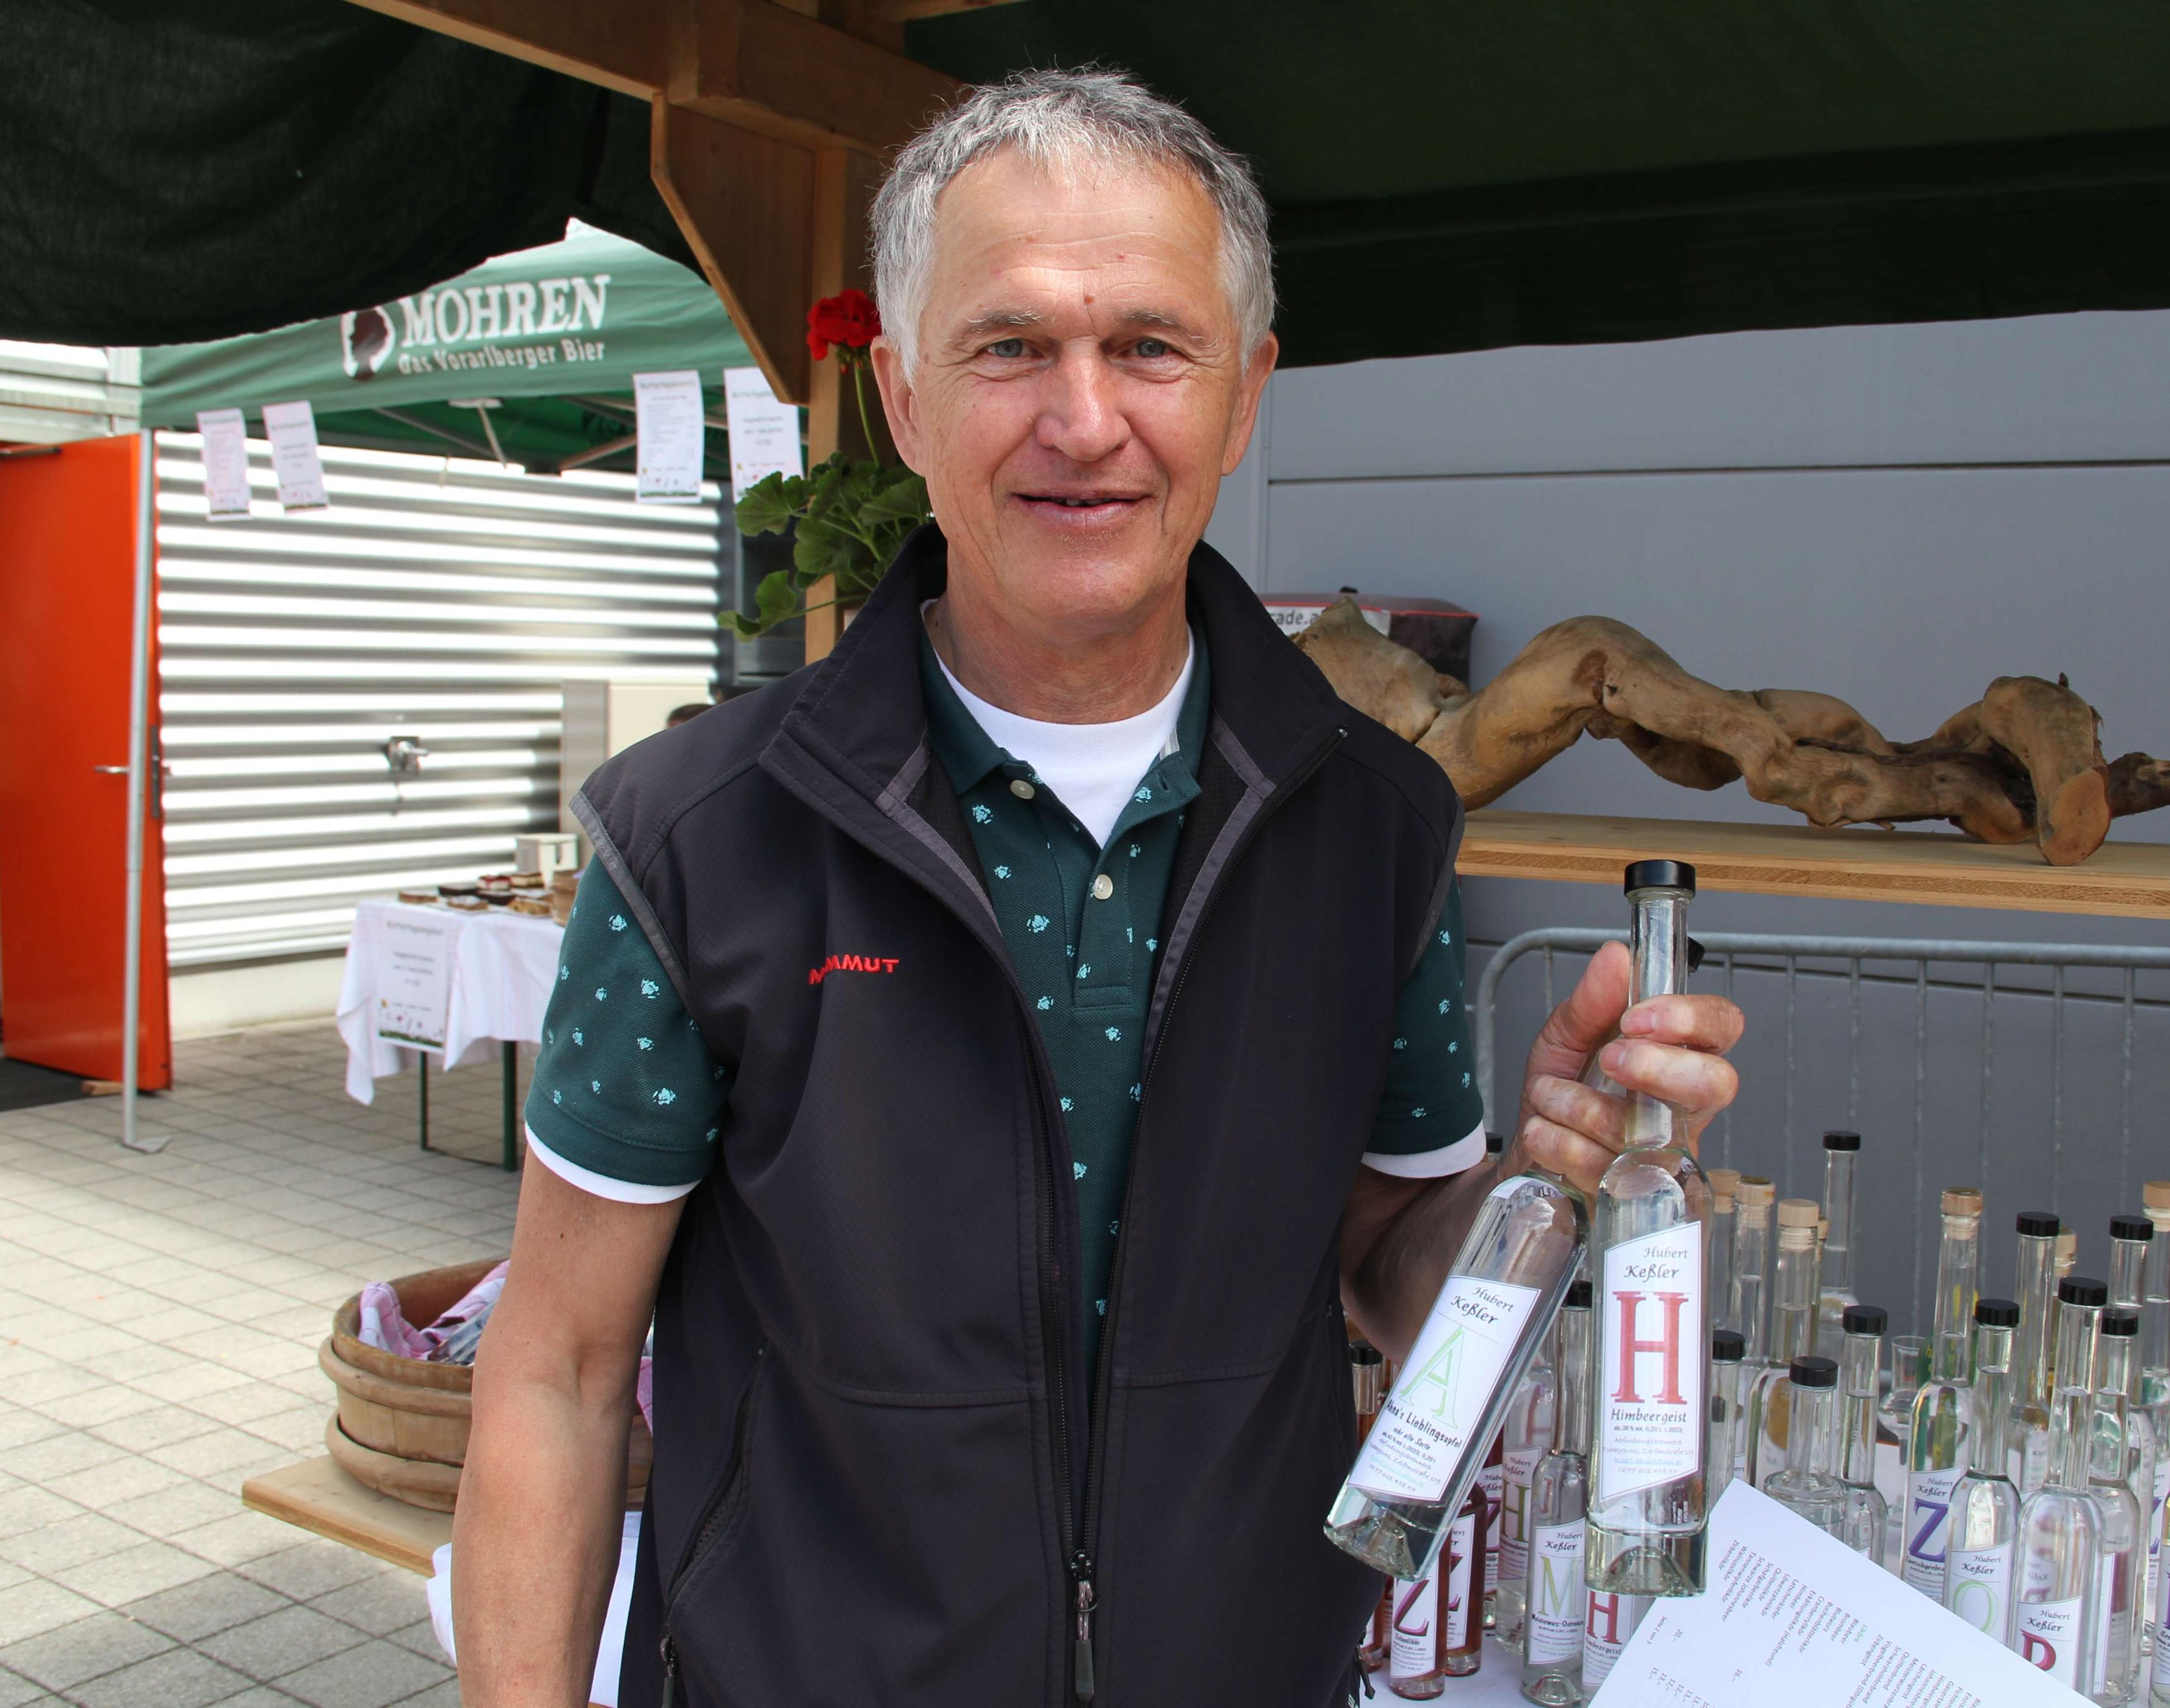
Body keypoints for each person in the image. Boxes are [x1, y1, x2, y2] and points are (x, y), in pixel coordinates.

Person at [454, 68, 1742, 1707]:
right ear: (904, 398)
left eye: (1150, 345)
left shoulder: (1374, 827)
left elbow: (1388, 1270)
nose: (1083, 420)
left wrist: (1543, 1184)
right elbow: (559, 1373)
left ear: (1244, 394)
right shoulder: (703, 837)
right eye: (1009, 346)